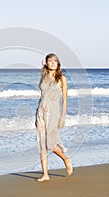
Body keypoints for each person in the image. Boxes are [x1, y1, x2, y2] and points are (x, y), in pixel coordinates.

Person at [35, 53, 73, 182]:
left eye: (54, 61)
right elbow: (42, 96)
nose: (52, 63)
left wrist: (63, 117)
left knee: (50, 144)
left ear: (58, 63)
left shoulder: (62, 78)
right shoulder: (43, 77)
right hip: (40, 112)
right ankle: (45, 174)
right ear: (45, 63)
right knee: (41, 144)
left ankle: (65, 158)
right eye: (49, 61)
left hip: (54, 114)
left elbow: (65, 100)